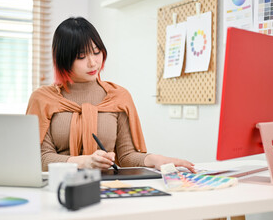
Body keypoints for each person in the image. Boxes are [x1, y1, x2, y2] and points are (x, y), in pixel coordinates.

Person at [26, 17, 195, 173]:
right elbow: (41, 158)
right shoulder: (43, 99)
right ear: (63, 59)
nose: (93, 62)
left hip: (107, 187)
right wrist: (84, 162)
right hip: (57, 187)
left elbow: (126, 156)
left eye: (96, 52)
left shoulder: (118, 97)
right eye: (81, 56)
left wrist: (155, 159)